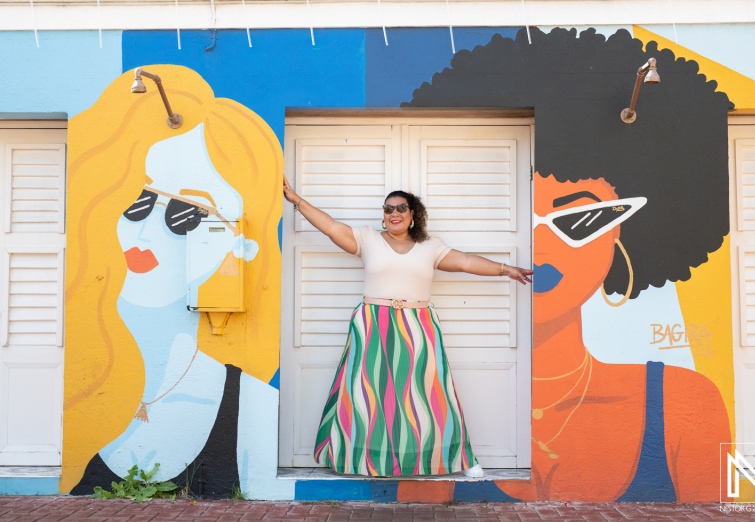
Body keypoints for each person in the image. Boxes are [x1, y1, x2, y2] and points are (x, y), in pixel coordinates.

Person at [407, 27, 732, 500]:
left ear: (621, 233)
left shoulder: (683, 404)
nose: (539, 243)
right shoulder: (437, 402)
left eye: (577, 218)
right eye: (523, 217)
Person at [63, 65, 287, 499]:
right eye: (137, 203)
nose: (145, 231)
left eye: (183, 214)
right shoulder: (84, 378)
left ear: (242, 248)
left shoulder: (253, 406)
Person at [282, 179, 532, 477]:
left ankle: (459, 458)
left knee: (431, 393)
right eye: (388, 209)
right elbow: (331, 226)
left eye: (401, 207)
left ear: (413, 214)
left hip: (418, 325)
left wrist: (507, 270)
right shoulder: (367, 239)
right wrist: (296, 199)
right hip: (373, 324)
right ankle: (360, 459)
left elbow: (465, 261)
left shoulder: (430, 246)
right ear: (383, 215)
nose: (394, 213)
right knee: (367, 394)